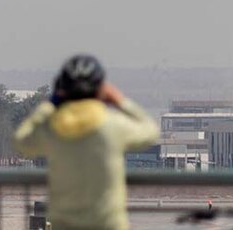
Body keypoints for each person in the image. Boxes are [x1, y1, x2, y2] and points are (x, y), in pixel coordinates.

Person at [14, 55, 160, 230]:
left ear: (62, 89)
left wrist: (50, 104)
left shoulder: (54, 127)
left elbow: (22, 141)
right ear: (101, 89)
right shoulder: (112, 124)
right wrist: (120, 100)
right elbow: (151, 131)